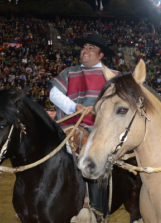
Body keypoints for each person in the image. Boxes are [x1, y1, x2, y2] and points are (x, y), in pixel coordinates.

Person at [48, 34, 119, 223]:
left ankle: (96, 208)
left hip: (99, 129)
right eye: (84, 47)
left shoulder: (112, 76)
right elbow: (54, 93)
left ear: (101, 55)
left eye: (91, 48)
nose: (85, 50)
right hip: (68, 125)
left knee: (95, 155)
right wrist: (74, 107)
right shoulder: (70, 72)